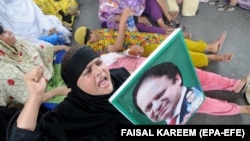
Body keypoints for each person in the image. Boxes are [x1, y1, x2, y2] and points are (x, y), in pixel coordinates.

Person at [6, 46, 250, 140]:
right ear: (74, 86)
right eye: (87, 72)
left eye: (98, 64)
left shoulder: (119, 75)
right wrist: (36, 97)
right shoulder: (69, 114)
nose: (99, 72)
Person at [75, 8, 232, 68]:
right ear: (87, 43)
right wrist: (123, 22)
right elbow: (116, 47)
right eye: (89, 37)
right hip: (140, 49)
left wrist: (130, 24)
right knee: (176, 52)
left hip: (141, 37)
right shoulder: (97, 50)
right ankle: (211, 58)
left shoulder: (98, 32)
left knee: (175, 40)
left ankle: (209, 47)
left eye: (90, 31)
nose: (92, 35)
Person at [132, 61, 250, 125]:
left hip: (138, 62)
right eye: (148, 107)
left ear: (177, 78)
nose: (157, 106)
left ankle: (235, 85)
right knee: (205, 104)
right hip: (126, 75)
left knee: (201, 77)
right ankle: (239, 109)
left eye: (160, 94)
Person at [0, 25, 70, 107]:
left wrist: (64, 47)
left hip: (49, 74)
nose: (10, 31)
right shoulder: (5, 72)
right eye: (4, 33)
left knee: (70, 58)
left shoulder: (17, 43)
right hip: (40, 96)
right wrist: (59, 91)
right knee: (73, 101)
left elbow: (41, 49)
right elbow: (31, 101)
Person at [98, 0, 190, 36]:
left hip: (136, 7)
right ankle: (167, 33)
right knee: (136, 25)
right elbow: (113, 16)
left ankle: (162, 25)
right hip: (119, 16)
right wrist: (137, 19)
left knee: (152, 2)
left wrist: (167, 15)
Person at [0, 0, 72, 44]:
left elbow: (38, 14)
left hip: (39, 26)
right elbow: (10, 33)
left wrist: (47, 26)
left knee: (52, 20)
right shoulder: (3, 14)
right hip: (23, 36)